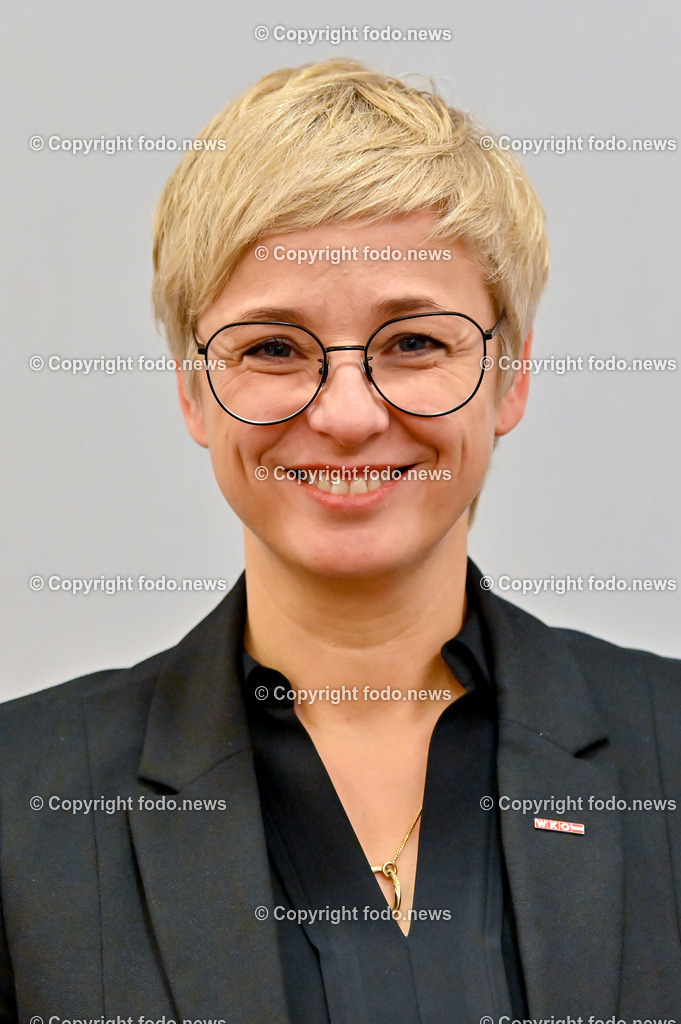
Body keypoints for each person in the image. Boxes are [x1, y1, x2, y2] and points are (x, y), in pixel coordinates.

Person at [1, 58, 680, 1023]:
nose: (350, 415)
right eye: (273, 349)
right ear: (194, 391)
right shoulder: (19, 800)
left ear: (509, 377)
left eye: (414, 342)